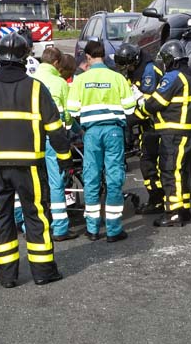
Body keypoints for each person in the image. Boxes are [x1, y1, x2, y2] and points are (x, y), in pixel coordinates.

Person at [0, 32, 72, 288]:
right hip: (30, 167)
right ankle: (43, 271)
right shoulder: (36, 88)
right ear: (26, 57)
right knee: (36, 217)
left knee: (0, 217)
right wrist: (65, 160)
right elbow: (56, 130)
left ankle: (7, 276)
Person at [67, 40, 136, 242]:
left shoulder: (80, 80)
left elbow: (71, 111)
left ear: (88, 57)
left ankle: (92, 229)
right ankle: (114, 230)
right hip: (113, 131)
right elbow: (130, 108)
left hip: (91, 134)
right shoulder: (117, 78)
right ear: (103, 56)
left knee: (91, 178)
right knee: (114, 177)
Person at [141, 40, 191, 227]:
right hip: (184, 132)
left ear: (170, 59)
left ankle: (173, 212)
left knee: (169, 171)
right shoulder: (190, 77)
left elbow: (155, 103)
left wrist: (139, 111)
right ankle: (184, 208)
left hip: (172, 133)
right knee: (181, 172)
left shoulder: (173, 77)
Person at [33, 46, 78, 242]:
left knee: (32, 181)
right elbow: (68, 114)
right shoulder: (60, 83)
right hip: (54, 138)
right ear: (57, 63)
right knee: (56, 181)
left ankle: (29, 225)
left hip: (32, 137)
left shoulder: (30, 80)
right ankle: (60, 228)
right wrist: (71, 130)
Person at [115, 43, 165, 214]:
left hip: (155, 124)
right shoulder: (135, 69)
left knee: (149, 163)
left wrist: (129, 119)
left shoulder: (149, 71)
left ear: (134, 61)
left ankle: (157, 200)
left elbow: (148, 104)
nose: (125, 69)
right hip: (147, 125)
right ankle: (158, 199)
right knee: (149, 162)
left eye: (126, 65)